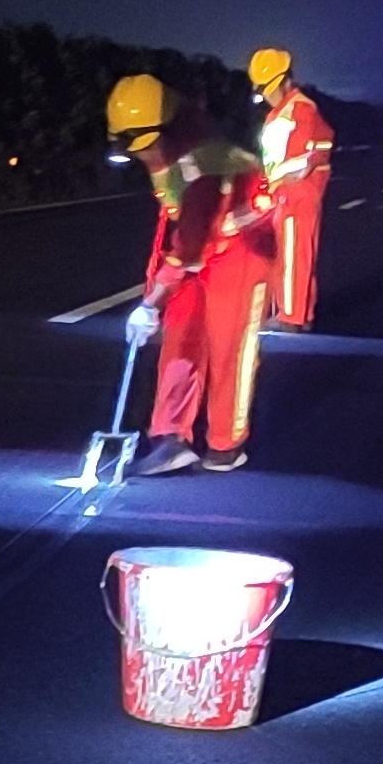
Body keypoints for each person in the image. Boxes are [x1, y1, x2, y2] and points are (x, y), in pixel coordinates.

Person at [107, 70, 271, 477]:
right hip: (204, 246)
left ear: (167, 128)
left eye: (146, 146)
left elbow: (191, 240)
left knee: (229, 344)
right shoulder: (167, 149)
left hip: (243, 251)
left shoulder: (205, 161)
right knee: (180, 333)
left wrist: (150, 301)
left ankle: (225, 445)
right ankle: (170, 436)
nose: (142, 156)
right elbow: (175, 227)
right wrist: (158, 296)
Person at [251, 46, 335, 331]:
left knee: (294, 256)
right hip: (285, 192)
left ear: (285, 79)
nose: (267, 94)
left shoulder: (301, 108)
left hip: (298, 191)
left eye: (270, 87)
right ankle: (300, 314)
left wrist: (282, 182)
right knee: (292, 254)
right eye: (263, 89)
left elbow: (310, 155)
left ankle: (291, 318)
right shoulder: (277, 114)